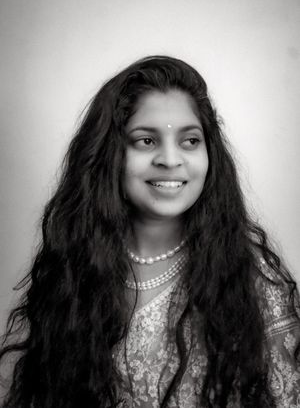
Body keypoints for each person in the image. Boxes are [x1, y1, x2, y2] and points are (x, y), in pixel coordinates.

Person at [0, 56, 299, 408]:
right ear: (109, 155)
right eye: (146, 141)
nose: (170, 159)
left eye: (189, 141)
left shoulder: (250, 278)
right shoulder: (72, 269)